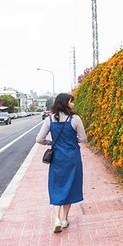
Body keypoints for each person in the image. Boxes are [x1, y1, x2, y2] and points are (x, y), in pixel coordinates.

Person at [36, 93, 87, 233]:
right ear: (65, 103)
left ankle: (56, 219)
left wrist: (51, 142)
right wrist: (71, 141)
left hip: (57, 158)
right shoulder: (75, 119)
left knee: (56, 185)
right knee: (69, 185)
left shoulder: (49, 120)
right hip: (72, 158)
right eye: (71, 102)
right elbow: (83, 138)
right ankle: (65, 219)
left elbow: (39, 139)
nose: (73, 104)